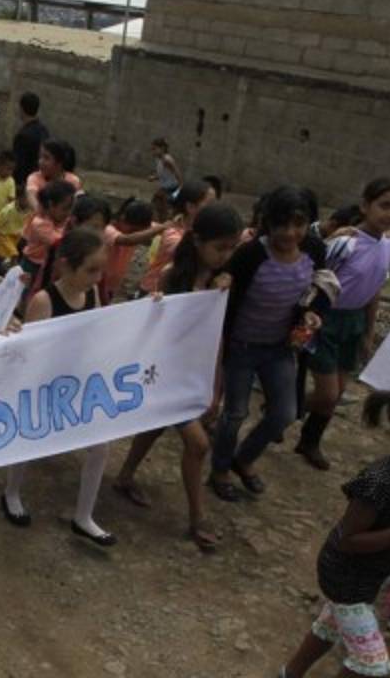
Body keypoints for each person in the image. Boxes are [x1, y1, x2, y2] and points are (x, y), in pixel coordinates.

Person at [112, 203, 244, 551]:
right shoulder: (173, 276)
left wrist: (214, 386)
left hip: (190, 371)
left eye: (231, 248)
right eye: (220, 247)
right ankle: (197, 518)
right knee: (198, 444)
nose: (225, 255)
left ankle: (125, 476)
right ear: (197, 241)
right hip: (163, 369)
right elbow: (150, 322)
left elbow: (215, 337)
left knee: (155, 426)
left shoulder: (219, 284)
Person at [279, 387, 390, 678]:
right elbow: (347, 540)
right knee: (371, 664)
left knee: (330, 624)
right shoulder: (379, 481)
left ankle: (289, 674)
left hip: (372, 574)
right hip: (346, 575)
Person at [209, 185, 331, 502]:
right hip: (242, 346)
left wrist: (311, 315)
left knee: (285, 412)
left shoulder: (315, 250)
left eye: (298, 224)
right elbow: (223, 279)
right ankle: (219, 469)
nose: (290, 233)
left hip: (280, 347)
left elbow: (317, 290)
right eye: (282, 224)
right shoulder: (251, 254)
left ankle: (244, 458)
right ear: (268, 222)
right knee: (234, 413)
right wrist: (222, 280)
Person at [1, 228, 116, 546]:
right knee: (29, 439)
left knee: (100, 446)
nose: (97, 277)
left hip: (76, 382)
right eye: (90, 269)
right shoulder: (44, 300)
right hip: (44, 385)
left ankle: (84, 516)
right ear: (66, 265)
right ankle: (11, 492)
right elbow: (32, 350)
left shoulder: (91, 295)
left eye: (100, 270)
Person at [297, 177, 390, 470]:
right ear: (366, 205)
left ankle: (309, 440)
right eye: (385, 205)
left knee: (337, 392)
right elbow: (313, 275)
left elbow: (375, 289)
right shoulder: (346, 243)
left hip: (355, 321)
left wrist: (368, 332)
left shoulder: (389, 242)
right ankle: (285, 408)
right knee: (327, 393)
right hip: (326, 319)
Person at [138, 180, 216, 296]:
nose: (215, 210)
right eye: (210, 205)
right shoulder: (173, 234)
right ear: (190, 207)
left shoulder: (198, 232)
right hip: (152, 293)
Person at [100, 198, 166, 304]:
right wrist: (162, 227)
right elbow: (128, 240)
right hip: (98, 282)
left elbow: (161, 229)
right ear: (122, 218)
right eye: (133, 231)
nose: (138, 235)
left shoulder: (143, 227)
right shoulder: (108, 230)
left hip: (113, 286)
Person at [19, 179, 77, 296]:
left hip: (46, 263)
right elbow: (58, 242)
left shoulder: (58, 219)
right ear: (51, 205)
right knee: (25, 293)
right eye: (65, 208)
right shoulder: (40, 223)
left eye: (70, 209)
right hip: (33, 264)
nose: (68, 213)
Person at [24, 139, 81, 211]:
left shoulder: (73, 180)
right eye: (40, 157)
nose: (40, 162)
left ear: (59, 163)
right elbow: (31, 196)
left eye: (46, 158)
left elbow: (78, 204)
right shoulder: (34, 178)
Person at [12, 92, 49, 184]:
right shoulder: (44, 131)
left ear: (22, 109)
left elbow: (18, 165)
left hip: (26, 183)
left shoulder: (23, 136)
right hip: (41, 181)